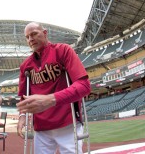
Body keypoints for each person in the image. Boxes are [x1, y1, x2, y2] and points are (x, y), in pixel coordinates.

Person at [16, 22, 91, 154]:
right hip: (41, 129)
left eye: (34, 34)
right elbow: (23, 97)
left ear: (45, 33)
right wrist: (22, 115)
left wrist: (50, 100)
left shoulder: (63, 50)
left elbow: (84, 86)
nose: (30, 39)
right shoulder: (25, 66)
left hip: (68, 123)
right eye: (27, 37)